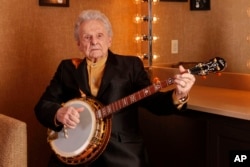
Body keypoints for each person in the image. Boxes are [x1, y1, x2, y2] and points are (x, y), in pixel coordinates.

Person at [34, 9, 196, 167]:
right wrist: (58, 113)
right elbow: (42, 106)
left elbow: (153, 102)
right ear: (79, 44)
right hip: (76, 154)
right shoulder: (67, 68)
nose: (94, 41)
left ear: (109, 40)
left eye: (99, 35)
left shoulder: (131, 66)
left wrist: (179, 95)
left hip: (121, 153)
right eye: (87, 37)